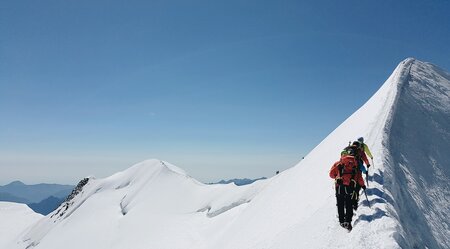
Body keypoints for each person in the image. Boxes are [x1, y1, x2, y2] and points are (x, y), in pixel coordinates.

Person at [329, 152, 366, 231]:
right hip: (350, 187)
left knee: (340, 204)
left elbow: (331, 175)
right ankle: (348, 221)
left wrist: (338, 176)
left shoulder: (338, 164)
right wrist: (363, 185)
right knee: (349, 203)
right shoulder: (355, 164)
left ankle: (342, 221)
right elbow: (359, 177)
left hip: (339, 187)